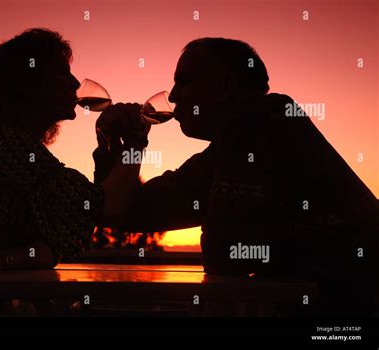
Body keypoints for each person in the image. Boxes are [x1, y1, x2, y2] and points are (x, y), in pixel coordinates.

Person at [94, 38, 378, 316]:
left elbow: (228, 253)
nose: (172, 95)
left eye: (185, 81)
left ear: (225, 86)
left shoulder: (271, 121)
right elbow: (128, 213)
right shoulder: (224, 152)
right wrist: (127, 146)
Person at [0, 28, 149, 316]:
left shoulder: (17, 145)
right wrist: (137, 140)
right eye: (62, 74)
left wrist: (0, 260)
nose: (74, 82)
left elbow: (61, 237)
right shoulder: (6, 144)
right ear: (28, 86)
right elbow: (106, 209)